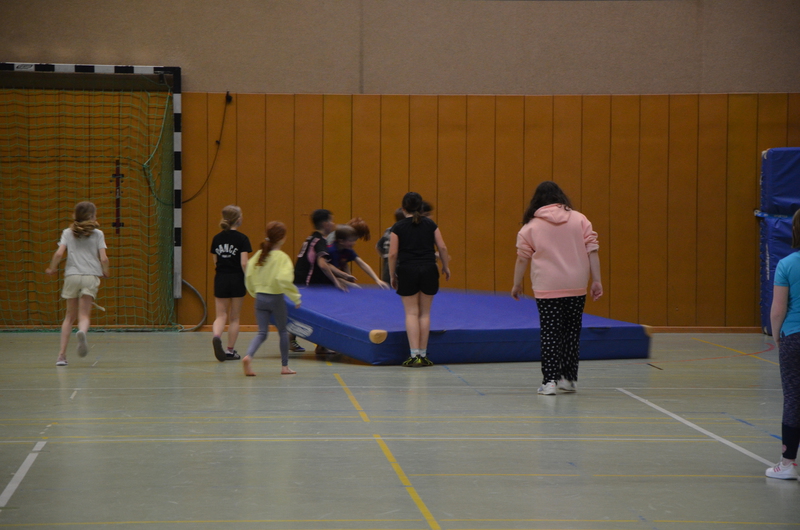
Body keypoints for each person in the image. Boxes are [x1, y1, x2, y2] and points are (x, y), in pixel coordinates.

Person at [511, 181, 602, 395]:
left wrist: (517, 283)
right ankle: (569, 379)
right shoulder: (580, 219)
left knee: (550, 333)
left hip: (547, 287)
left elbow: (522, 258)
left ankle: (550, 381)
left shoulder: (530, 227)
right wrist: (596, 280)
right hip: (576, 285)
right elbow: (593, 250)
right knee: (571, 332)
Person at [388, 192, 450, 367]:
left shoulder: (398, 227)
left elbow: (392, 254)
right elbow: (442, 247)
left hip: (407, 270)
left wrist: (392, 275)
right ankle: (423, 354)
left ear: (403, 208)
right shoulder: (430, 225)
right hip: (428, 269)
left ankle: (414, 354)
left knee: (411, 313)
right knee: (425, 313)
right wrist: (445, 266)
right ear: (420, 207)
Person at [45, 201, 110, 366]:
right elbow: (104, 258)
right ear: (92, 216)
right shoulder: (98, 234)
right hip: (90, 276)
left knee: (69, 317)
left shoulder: (67, 233)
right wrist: (106, 271)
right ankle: (81, 331)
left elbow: (59, 254)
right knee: (84, 315)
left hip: (72, 276)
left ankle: (61, 356)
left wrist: (52, 268)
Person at [292, 209, 355, 353]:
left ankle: (300, 342)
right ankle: (320, 344)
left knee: (302, 312)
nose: (333, 223)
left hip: (299, 280)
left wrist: (343, 275)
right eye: (331, 220)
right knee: (321, 312)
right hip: (307, 283)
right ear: (325, 223)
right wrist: (337, 281)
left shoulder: (311, 238)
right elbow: (323, 264)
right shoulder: (320, 241)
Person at [242, 221, 301, 377]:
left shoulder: (259, 255)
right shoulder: (282, 258)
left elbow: (248, 273)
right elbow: (284, 280)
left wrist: (254, 291)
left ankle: (248, 356)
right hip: (276, 298)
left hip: (260, 298)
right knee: (283, 331)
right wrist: (295, 297)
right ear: (282, 238)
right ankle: (285, 366)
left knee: (262, 332)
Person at [767, 208, 800, 480]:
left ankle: (788, 463)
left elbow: (778, 309)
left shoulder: (788, 264)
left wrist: (777, 334)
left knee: (793, 398)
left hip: (795, 338)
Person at [210, 205, 251, 362]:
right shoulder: (242, 238)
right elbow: (244, 263)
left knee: (220, 315)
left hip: (221, 278)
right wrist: (249, 278)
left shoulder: (216, 239)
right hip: (236, 278)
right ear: (238, 219)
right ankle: (229, 350)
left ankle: (216, 336)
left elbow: (215, 262)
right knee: (234, 317)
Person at [328, 225, 389, 289]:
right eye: (351, 241)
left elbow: (362, 264)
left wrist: (377, 279)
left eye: (354, 240)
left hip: (336, 277)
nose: (354, 243)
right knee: (354, 287)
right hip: (326, 279)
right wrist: (347, 281)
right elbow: (330, 271)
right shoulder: (331, 250)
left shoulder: (347, 250)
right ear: (341, 241)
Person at [377, 208, 406, 282]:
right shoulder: (406, 231)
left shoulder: (389, 230)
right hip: (401, 263)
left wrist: (385, 256)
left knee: (388, 284)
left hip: (388, 263)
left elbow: (378, 246)